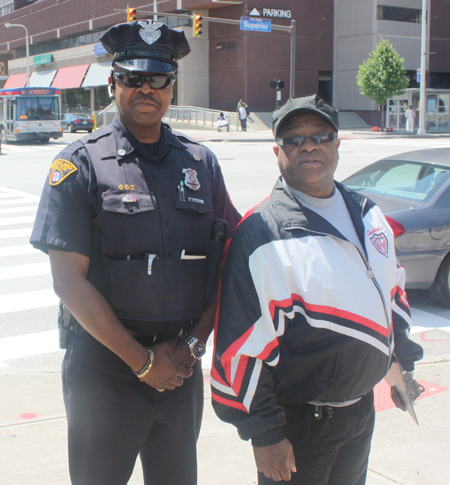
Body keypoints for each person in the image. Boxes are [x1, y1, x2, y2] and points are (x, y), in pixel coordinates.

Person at [30, 20, 241, 485]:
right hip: (104, 372)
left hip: (180, 370)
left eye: (159, 79)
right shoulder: (79, 163)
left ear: (172, 87)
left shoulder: (201, 164)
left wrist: (189, 347)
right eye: (133, 77)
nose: (147, 89)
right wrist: (143, 362)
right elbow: (68, 282)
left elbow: (228, 259)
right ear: (113, 83)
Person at [211, 95, 424, 484]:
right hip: (299, 427)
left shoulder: (367, 214)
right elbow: (239, 348)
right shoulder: (260, 234)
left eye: (320, 135)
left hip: (360, 415)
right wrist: (265, 434)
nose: (308, 145)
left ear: (337, 145)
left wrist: (401, 364)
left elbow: (391, 294)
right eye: (294, 139)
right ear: (277, 151)